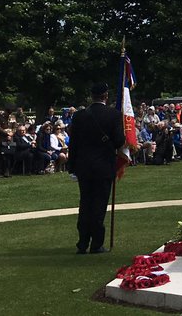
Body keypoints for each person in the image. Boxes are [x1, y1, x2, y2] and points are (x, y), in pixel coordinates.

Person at [68, 81, 125, 254]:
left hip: (84, 166)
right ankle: (97, 243)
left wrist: (72, 167)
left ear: (91, 96)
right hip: (104, 166)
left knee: (85, 204)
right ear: (106, 96)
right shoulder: (113, 115)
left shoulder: (79, 116)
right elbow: (119, 141)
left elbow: (74, 145)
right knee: (99, 206)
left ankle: (83, 242)